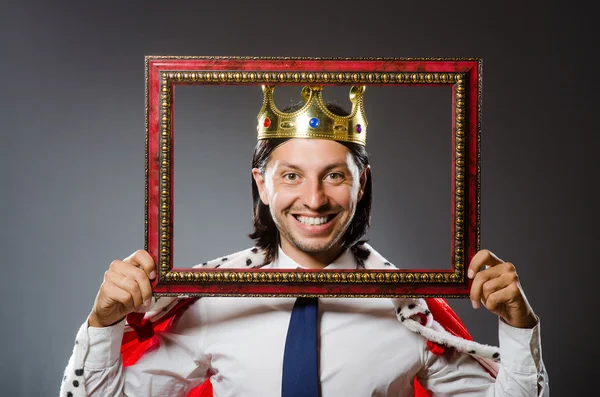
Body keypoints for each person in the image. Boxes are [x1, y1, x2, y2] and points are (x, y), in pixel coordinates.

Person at [60, 85, 548, 397]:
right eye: (291, 175)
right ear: (262, 184)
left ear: (362, 184)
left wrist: (519, 328)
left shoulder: (409, 311)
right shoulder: (213, 302)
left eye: (334, 175)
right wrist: (104, 323)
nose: (313, 199)